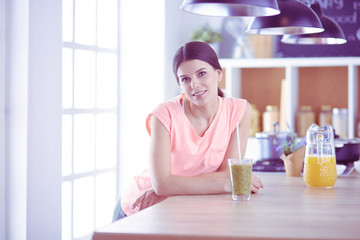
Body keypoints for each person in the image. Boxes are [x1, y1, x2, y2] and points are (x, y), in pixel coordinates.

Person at [115, 41, 264, 221]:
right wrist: (225, 182)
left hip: (185, 207)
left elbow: (229, 175)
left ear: (218, 74)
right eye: (185, 79)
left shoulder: (239, 110)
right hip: (142, 210)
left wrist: (226, 181)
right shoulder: (163, 114)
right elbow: (162, 185)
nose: (194, 85)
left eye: (202, 74)